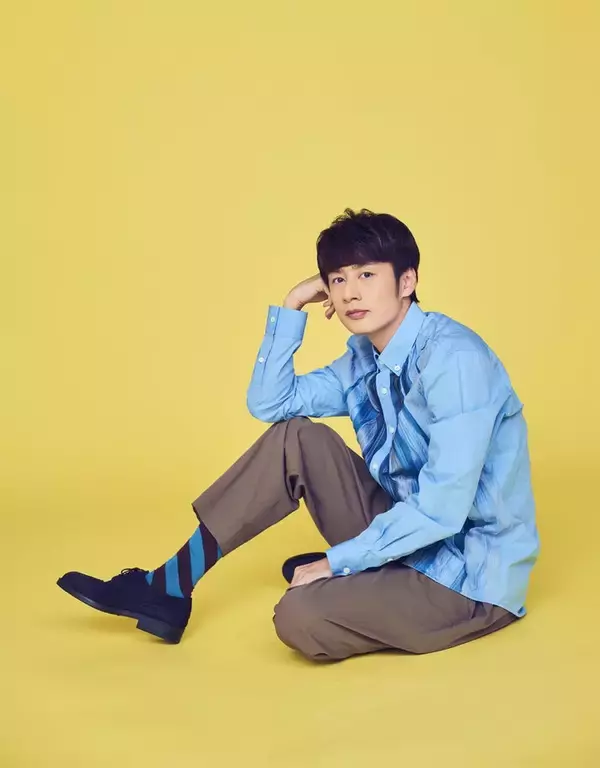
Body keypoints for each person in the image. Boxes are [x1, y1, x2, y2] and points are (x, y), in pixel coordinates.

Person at [57, 208, 539, 661]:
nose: (350, 293)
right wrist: (292, 306)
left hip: (469, 578)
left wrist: (336, 561)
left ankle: (361, 575)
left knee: (298, 617)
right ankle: (170, 586)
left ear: (407, 281)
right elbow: (272, 404)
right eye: (338, 279)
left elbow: (441, 511)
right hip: (411, 539)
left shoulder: (455, 361)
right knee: (296, 438)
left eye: (366, 275)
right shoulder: (364, 359)